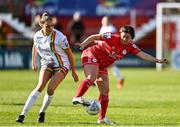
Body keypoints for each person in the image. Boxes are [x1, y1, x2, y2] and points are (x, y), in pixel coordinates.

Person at [72, 25, 168, 124]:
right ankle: (78, 97)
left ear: (131, 38)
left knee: (105, 91)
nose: (124, 39)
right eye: (123, 36)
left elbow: (143, 55)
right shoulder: (112, 37)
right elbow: (95, 36)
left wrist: (157, 60)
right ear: (120, 34)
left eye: (127, 37)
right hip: (91, 54)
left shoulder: (130, 46)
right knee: (91, 77)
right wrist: (83, 44)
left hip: (102, 65)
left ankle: (102, 118)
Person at [16, 12, 79, 123]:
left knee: (50, 89)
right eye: (47, 26)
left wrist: (74, 71)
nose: (50, 28)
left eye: (52, 26)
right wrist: (33, 62)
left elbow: (70, 54)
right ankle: (22, 115)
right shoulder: (37, 36)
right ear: (41, 25)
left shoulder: (60, 36)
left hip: (62, 64)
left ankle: (42, 112)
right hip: (47, 63)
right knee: (40, 86)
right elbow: (35, 47)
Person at [99, 16, 124, 89]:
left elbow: (114, 40)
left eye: (105, 20)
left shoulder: (111, 29)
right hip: (102, 49)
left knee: (107, 65)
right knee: (108, 65)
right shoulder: (103, 28)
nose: (104, 22)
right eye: (103, 20)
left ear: (108, 21)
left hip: (109, 49)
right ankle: (120, 78)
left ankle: (95, 80)